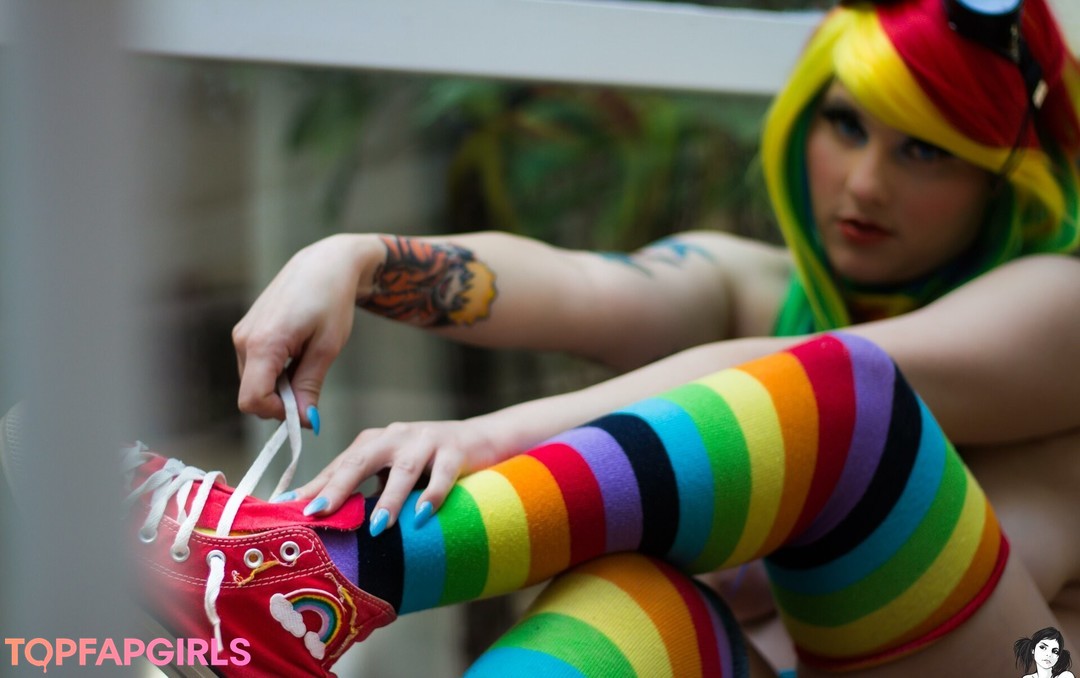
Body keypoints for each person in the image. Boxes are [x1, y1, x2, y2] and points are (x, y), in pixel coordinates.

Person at [6, 0, 1071, 675]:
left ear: (1004, 178)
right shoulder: (764, 290)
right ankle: (291, 603)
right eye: (846, 124)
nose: (867, 182)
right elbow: (577, 285)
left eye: (927, 151)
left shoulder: (1057, 305)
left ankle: (309, 574)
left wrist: (495, 435)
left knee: (850, 400)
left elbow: (821, 386)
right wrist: (353, 259)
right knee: (630, 602)